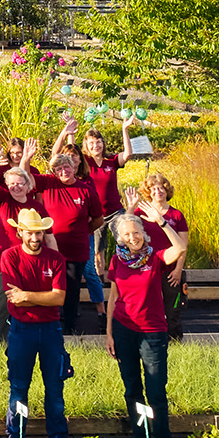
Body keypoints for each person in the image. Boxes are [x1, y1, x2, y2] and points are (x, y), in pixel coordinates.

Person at [105, 208, 187, 438]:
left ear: (144, 233)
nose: (133, 237)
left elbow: (180, 248)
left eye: (136, 232)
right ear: (121, 238)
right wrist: (109, 334)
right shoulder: (116, 259)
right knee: (132, 389)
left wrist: (161, 221)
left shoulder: (156, 257)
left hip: (152, 331)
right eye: (127, 234)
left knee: (156, 390)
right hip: (123, 329)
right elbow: (112, 298)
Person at [0, 207, 69, 438]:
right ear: (20, 232)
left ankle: (58, 436)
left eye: (39, 233)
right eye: (30, 233)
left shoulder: (56, 259)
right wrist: (44, 296)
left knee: (55, 386)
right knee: (18, 385)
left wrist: (27, 295)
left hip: (50, 329)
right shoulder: (9, 256)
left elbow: (59, 299)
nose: (35, 238)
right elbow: (12, 298)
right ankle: (15, 435)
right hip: (21, 329)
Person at [35, 137, 104, 336]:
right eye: (59, 169)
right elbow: (27, 177)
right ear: (55, 171)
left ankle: (71, 328)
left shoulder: (86, 190)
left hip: (76, 250)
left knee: (71, 290)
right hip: (49, 248)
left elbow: (98, 219)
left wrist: (84, 230)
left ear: (75, 168)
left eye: (67, 167)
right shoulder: (48, 183)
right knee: (48, 287)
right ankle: (49, 325)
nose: (64, 171)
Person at [0, 144, 44, 344]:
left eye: (20, 183)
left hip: (30, 262)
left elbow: (47, 236)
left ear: (28, 185)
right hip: (2, 263)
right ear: (7, 185)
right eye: (12, 183)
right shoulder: (1, 198)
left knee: (28, 302)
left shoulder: (35, 206)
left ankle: (25, 339)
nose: (16, 187)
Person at [76, 118, 135, 320]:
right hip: (95, 215)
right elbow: (70, 154)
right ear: (87, 146)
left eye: (98, 142)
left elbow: (128, 155)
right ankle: (101, 284)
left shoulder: (111, 162)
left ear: (103, 143)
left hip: (115, 211)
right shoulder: (86, 162)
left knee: (126, 241)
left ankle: (127, 276)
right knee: (98, 252)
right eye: (91, 143)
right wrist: (69, 132)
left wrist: (124, 129)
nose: (96, 145)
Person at [131, 172, 191, 339]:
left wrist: (178, 270)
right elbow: (127, 231)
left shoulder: (176, 215)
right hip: (147, 268)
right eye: (154, 188)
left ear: (167, 191)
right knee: (147, 308)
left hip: (170, 270)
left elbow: (183, 245)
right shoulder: (140, 212)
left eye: (161, 188)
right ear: (148, 192)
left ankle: (175, 343)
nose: (158, 191)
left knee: (172, 311)